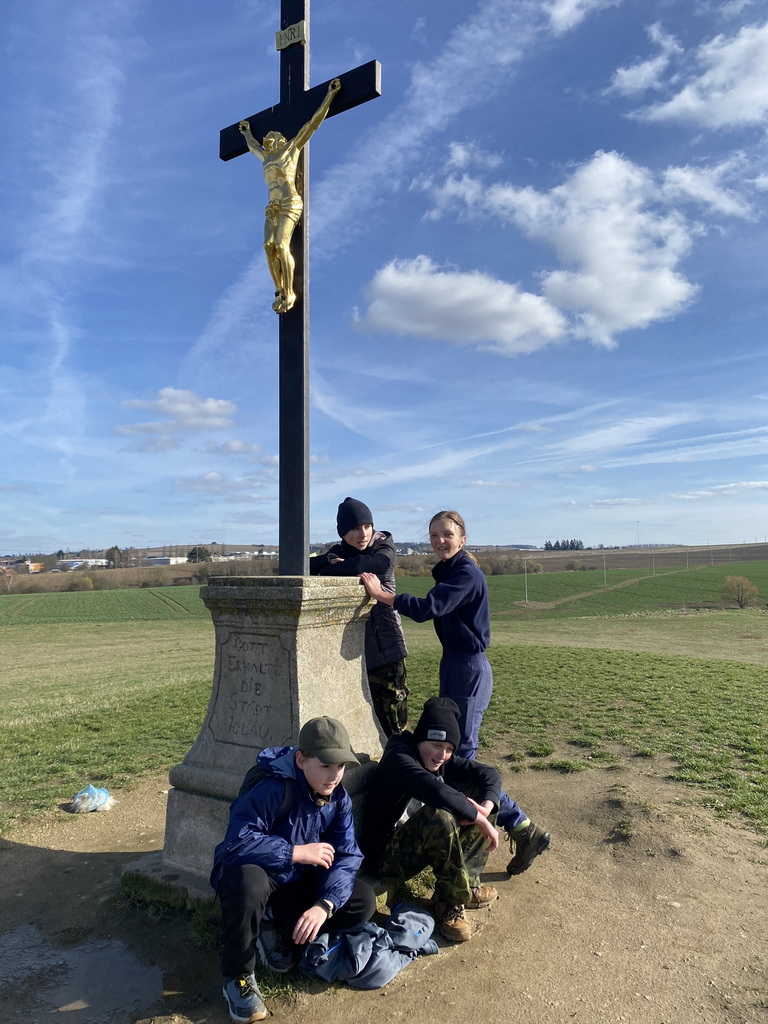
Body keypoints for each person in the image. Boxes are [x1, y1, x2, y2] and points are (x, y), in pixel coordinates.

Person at [361, 510, 550, 876]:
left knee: (457, 759)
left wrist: (382, 595)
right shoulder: (449, 571)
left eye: (447, 534)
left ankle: (516, 834)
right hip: (455, 663)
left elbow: (428, 609)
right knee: (451, 758)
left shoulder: (465, 574)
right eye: (434, 535)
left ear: (462, 539)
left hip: (467, 668)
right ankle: (514, 831)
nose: (439, 541)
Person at [210, 717, 376, 1023]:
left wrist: (324, 905)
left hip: (296, 882)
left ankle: (274, 926)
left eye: (340, 766)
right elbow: (236, 844)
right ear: (301, 760)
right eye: (325, 765)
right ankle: (238, 976)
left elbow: (347, 855)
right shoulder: (273, 788)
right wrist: (295, 852)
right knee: (248, 881)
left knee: (363, 900)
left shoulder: (338, 798)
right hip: (262, 877)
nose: (334, 775)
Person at [361, 696, 504, 943]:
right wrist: (480, 820)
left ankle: (465, 886)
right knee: (440, 816)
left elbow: (490, 775)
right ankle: (451, 902)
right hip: (386, 858)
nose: (442, 755)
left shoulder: (439, 760)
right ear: (420, 739)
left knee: (479, 797)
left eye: (449, 749)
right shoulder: (398, 758)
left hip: (415, 843)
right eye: (436, 745)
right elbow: (435, 790)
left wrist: (485, 808)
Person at [238, 78, 341, 314]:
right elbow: (252, 146)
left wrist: (330, 95)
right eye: (266, 139)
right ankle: (278, 289)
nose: (267, 139)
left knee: (282, 245)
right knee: (268, 245)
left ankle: (289, 291)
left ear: (280, 139)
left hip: (289, 201)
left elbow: (312, 124)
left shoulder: (291, 149)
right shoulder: (265, 157)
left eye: (271, 137)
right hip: (272, 205)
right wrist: (246, 132)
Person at [310, 497, 409, 737]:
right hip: (350, 647)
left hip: (385, 646)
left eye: (367, 526)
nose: (363, 533)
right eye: (355, 528)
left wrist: (336, 568)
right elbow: (306, 567)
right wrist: (329, 560)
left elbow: (379, 565)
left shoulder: (383, 545)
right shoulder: (338, 552)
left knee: (391, 720)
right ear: (343, 533)